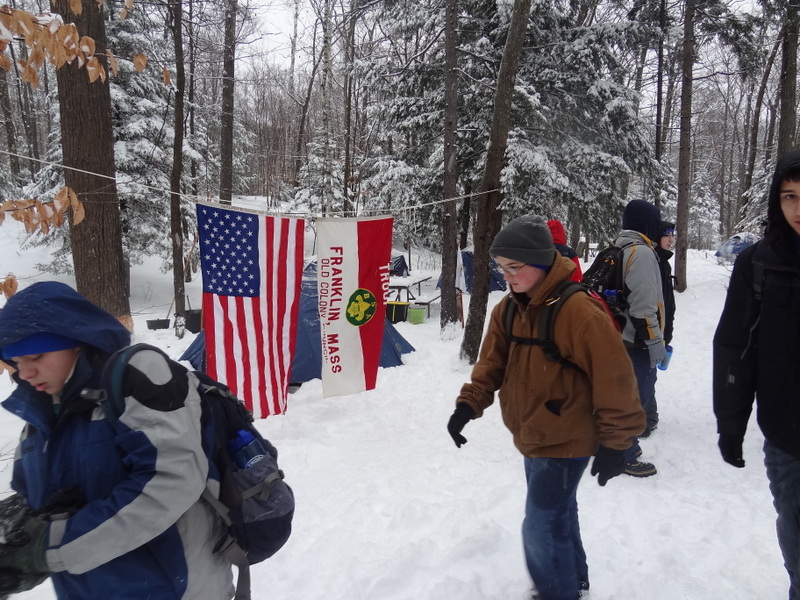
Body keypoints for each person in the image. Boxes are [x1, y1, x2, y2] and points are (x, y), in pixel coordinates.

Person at [446, 215, 645, 600]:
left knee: (540, 526)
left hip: (568, 437)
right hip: (533, 434)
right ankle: (574, 581)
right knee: (558, 514)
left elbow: (616, 381)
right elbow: (491, 366)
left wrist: (617, 443)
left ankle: (558, 592)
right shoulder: (507, 310)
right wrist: (467, 407)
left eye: (514, 267)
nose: (507, 276)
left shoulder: (579, 312)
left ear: (539, 261)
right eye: (502, 268)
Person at [0, 281, 234, 599]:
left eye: (35, 356)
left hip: (172, 589)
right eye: (16, 362)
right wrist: (14, 533)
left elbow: (172, 482)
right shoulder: (39, 415)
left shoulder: (133, 378)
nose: (24, 373)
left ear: (75, 340)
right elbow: (30, 497)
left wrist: (49, 547)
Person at [713, 148, 800, 600]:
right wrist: (731, 424)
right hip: (788, 436)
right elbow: (735, 348)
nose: (798, 208)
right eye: (789, 196)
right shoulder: (758, 265)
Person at [614, 199, 665, 476]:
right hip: (635, 343)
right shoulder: (642, 253)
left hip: (618, 338)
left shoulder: (620, 247)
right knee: (635, 399)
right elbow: (644, 306)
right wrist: (655, 342)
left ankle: (620, 447)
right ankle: (622, 456)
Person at [655, 221, 676, 349]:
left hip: (662, 332)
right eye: (667, 235)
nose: (671, 240)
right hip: (650, 338)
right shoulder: (651, 263)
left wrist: (668, 331)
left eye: (672, 235)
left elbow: (667, 301)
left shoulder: (664, 263)